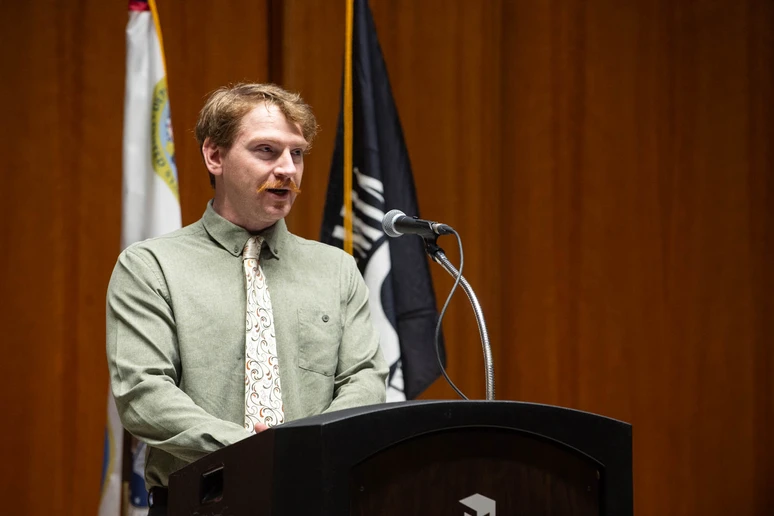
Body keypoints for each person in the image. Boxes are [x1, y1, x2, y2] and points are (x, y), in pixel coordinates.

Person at [106, 83, 388, 515]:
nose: (287, 169)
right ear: (214, 157)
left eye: (297, 154)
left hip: (320, 499)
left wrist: (310, 448)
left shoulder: (336, 270)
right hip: (202, 502)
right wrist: (257, 453)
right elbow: (144, 395)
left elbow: (364, 379)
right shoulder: (150, 266)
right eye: (266, 150)